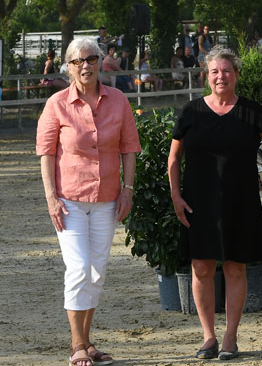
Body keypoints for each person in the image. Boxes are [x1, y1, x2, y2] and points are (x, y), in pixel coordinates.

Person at [168, 46, 262, 360]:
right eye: (215, 71)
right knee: (201, 268)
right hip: (198, 203)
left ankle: (230, 337)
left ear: (236, 74)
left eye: (226, 71)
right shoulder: (192, 111)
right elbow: (173, 157)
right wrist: (176, 196)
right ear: (206, 77)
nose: (221, 76)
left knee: (237, 268)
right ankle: (208, 337)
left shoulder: (251, 111)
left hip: (240, 202)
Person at [36, 37, 141, 366]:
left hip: (108, 199)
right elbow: (46, 154)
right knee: (79, 268)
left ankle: (87, 341)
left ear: (100, 62)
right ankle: (77, 345)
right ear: (68, 67)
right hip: (69, 200)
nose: (86, 66)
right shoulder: (56, 104)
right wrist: (51, 197)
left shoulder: (119, 101)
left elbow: (129, 148)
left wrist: (128, 189)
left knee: (96, 272)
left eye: (91, 59)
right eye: (78, 61)